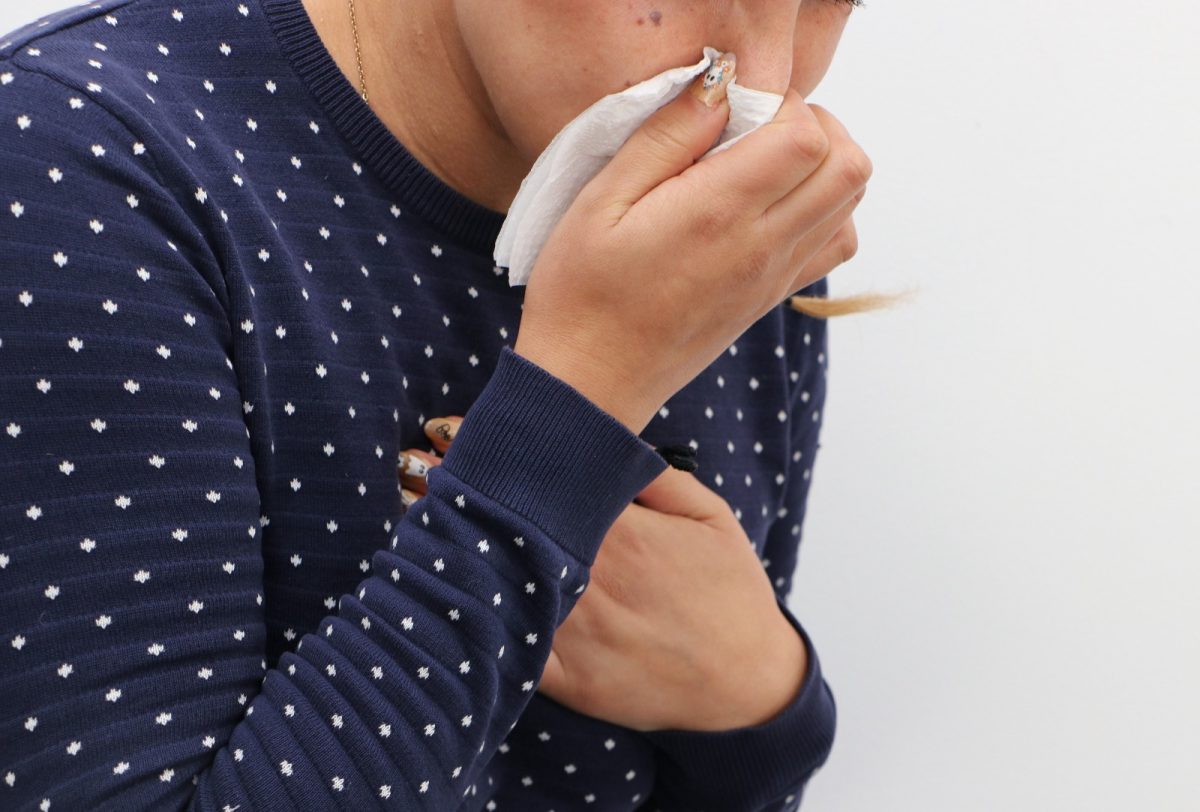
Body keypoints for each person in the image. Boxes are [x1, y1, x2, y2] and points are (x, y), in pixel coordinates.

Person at [0, 0, 874, 808]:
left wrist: (763, 700)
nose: (765, 82)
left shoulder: (735, 236)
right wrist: (576, 405)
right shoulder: (75, 167)